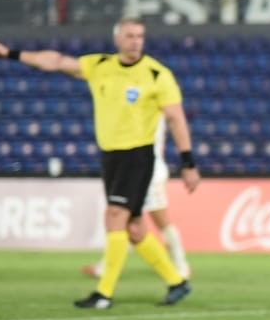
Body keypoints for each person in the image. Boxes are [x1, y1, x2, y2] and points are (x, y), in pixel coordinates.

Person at [0, 19, 198, 309]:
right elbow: (55, 61)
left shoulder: (158, 74)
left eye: (140, 36)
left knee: (115, 215)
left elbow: (176, 118)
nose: (136, 41)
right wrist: (11, 54)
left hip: (138, 155)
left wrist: (188, 162)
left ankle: (104, 293)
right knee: (133, 228)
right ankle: (176, 281)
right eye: (130, 36)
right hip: (111, 156)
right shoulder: (100, 65)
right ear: (117, 38)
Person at [81, 116, 190, 282]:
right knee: (124, 221)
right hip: (139, 169)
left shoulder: (148, 107)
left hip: (149, 170)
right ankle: (106, 267)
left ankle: (181, 267)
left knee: (160, 220)